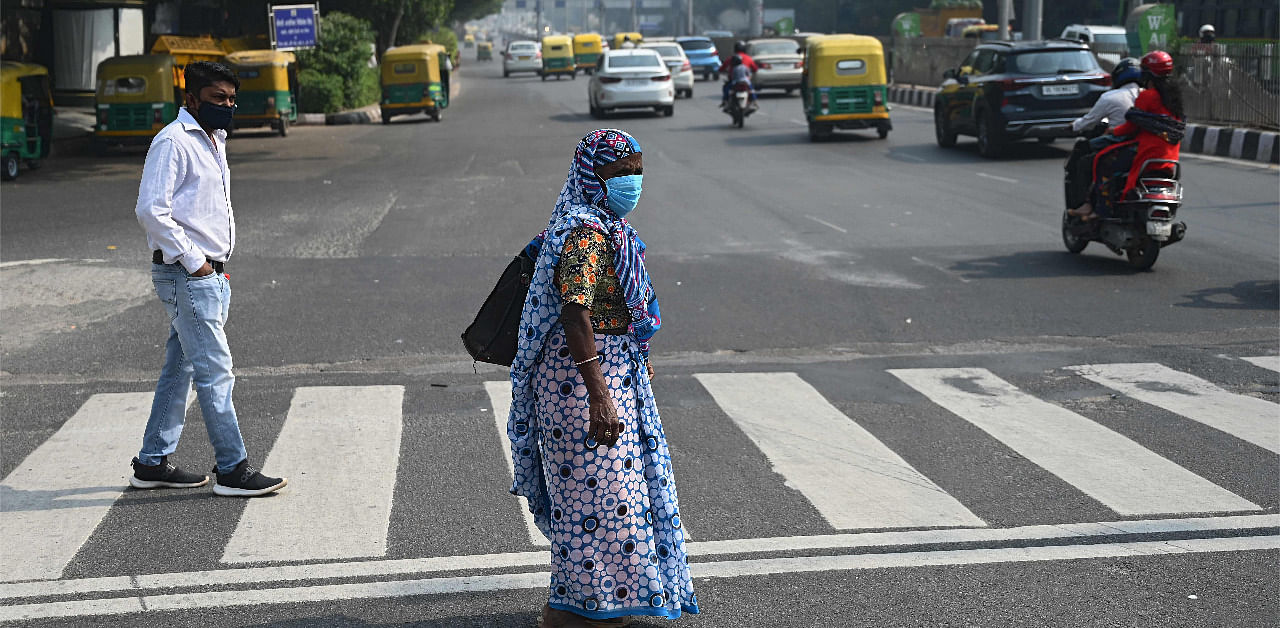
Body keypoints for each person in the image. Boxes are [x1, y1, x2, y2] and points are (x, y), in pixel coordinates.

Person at [506, 129, 699, 627]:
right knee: (603, 497)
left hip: (609, 371)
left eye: (637, 170)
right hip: (576, 382)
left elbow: (619, 310)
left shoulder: (611, 230)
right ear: (592, 176)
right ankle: (582, 609)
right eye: (618, 172)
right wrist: (600, 397)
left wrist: (636, 360)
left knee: (616, 495)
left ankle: (592, 603)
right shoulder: (584, 234)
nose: (631, 181)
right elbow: (574, 314)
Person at [131, 61, 287, 497]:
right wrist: (195, 261)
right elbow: (151, 210)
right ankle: (232, 469)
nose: (228, 106)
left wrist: (211, 265)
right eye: (218, 98)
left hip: (209, 274)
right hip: (188, 275)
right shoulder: (173, 142)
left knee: (179, 369)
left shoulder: (214, 139)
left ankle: (152, 462)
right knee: (215, 373)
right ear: (191, 99)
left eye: (232, 98)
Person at [1070, 51, 1185, 221]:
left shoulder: (1146, 96)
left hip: (1146, 151)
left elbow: (1132, 126)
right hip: (1169, 154)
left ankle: (1101, 210)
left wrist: (1113, 132)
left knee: (1101, 161)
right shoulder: (1175, 99)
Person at [1064, 57, 1142, 209]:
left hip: (1122, 147)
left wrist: (1073, 126)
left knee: (1085, 162)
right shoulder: (1150, 96)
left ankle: (1085, 204)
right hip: (1147, 147)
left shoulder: (1111, 97)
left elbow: (1089, 120)